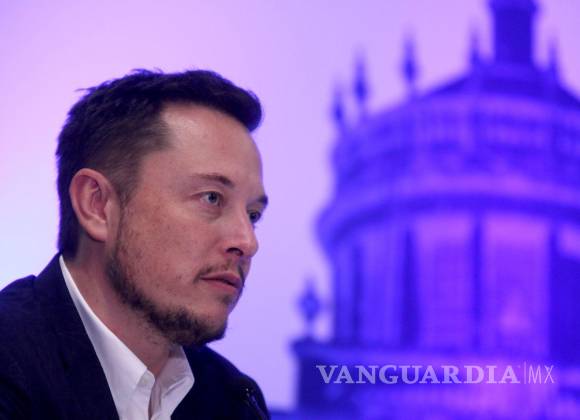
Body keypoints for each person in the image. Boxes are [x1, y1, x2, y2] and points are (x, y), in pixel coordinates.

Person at [0, 69, 270, 420]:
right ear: (98, 206)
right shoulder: (10, 365)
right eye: (211, 198)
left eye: (253, 214)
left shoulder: (233, 399)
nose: (247, 242)